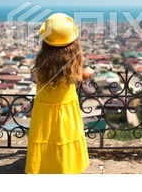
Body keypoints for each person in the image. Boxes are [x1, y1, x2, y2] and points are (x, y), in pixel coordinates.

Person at [24, 13, 90, 174]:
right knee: (64, 137)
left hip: (44, 109)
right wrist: (89, 72)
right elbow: (80, 76)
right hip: (66, 106)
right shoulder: (74, 60)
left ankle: (43, 167)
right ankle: (66, 167)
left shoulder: (41, 61)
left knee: (46, 138)